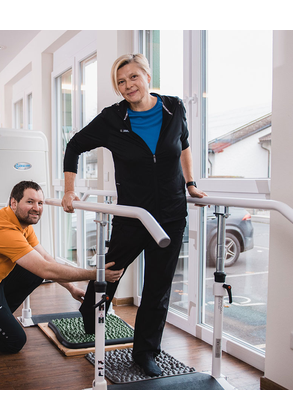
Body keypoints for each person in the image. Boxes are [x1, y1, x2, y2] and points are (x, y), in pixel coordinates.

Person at [62, 53, 207, 377]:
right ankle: (90, 309)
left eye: (133, 78)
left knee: (158, 287)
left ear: (147, 77)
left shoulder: (173, 108)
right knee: (110, 271)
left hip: (170, 214)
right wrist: (70, 190)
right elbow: (74, 146)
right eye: (121, 81)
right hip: (132, 213)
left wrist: (191, 184)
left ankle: (145, 353)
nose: (128, 85)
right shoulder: (112, 119)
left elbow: (183, 145)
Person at [0, 180, 123, 354]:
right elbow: (46, 269)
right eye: (30, 202)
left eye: (40, 203)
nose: (36, 208)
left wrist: (71, 288)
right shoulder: (4, 231)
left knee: (32, 274)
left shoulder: (21, 224)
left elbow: (46, 260)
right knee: (14, 341)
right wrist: (97, 274)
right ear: (14, 203)